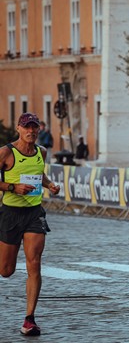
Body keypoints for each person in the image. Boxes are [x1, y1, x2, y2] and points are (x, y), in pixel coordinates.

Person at [0, 112, 61, 337]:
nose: (31, 131)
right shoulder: (6, 152)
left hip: (34, 213)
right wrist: (12, 188)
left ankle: (29, 319)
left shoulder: (41, 152)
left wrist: (50, 184)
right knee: (5, 271)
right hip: (10, 213)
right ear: (18, 128)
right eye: (27, 127)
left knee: (34, 263)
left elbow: (40, 174)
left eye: (34, 127)